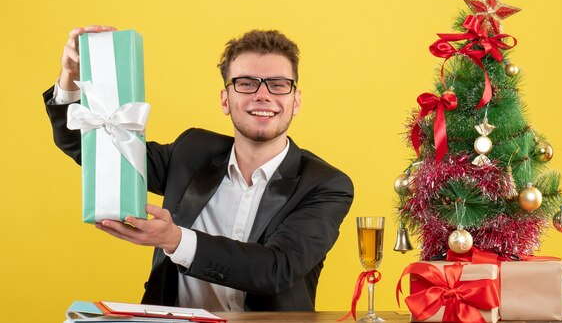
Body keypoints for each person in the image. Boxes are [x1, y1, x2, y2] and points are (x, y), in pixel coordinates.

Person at [44, 25, 354, 311]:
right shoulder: (192, 152)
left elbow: (276, 269)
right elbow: (93, 148)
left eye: (278, 84)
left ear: (295, 101)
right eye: (246, 83)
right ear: (225, 99)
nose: (263, 95)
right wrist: (70, 77)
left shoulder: (325, 184)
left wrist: (175, 239)